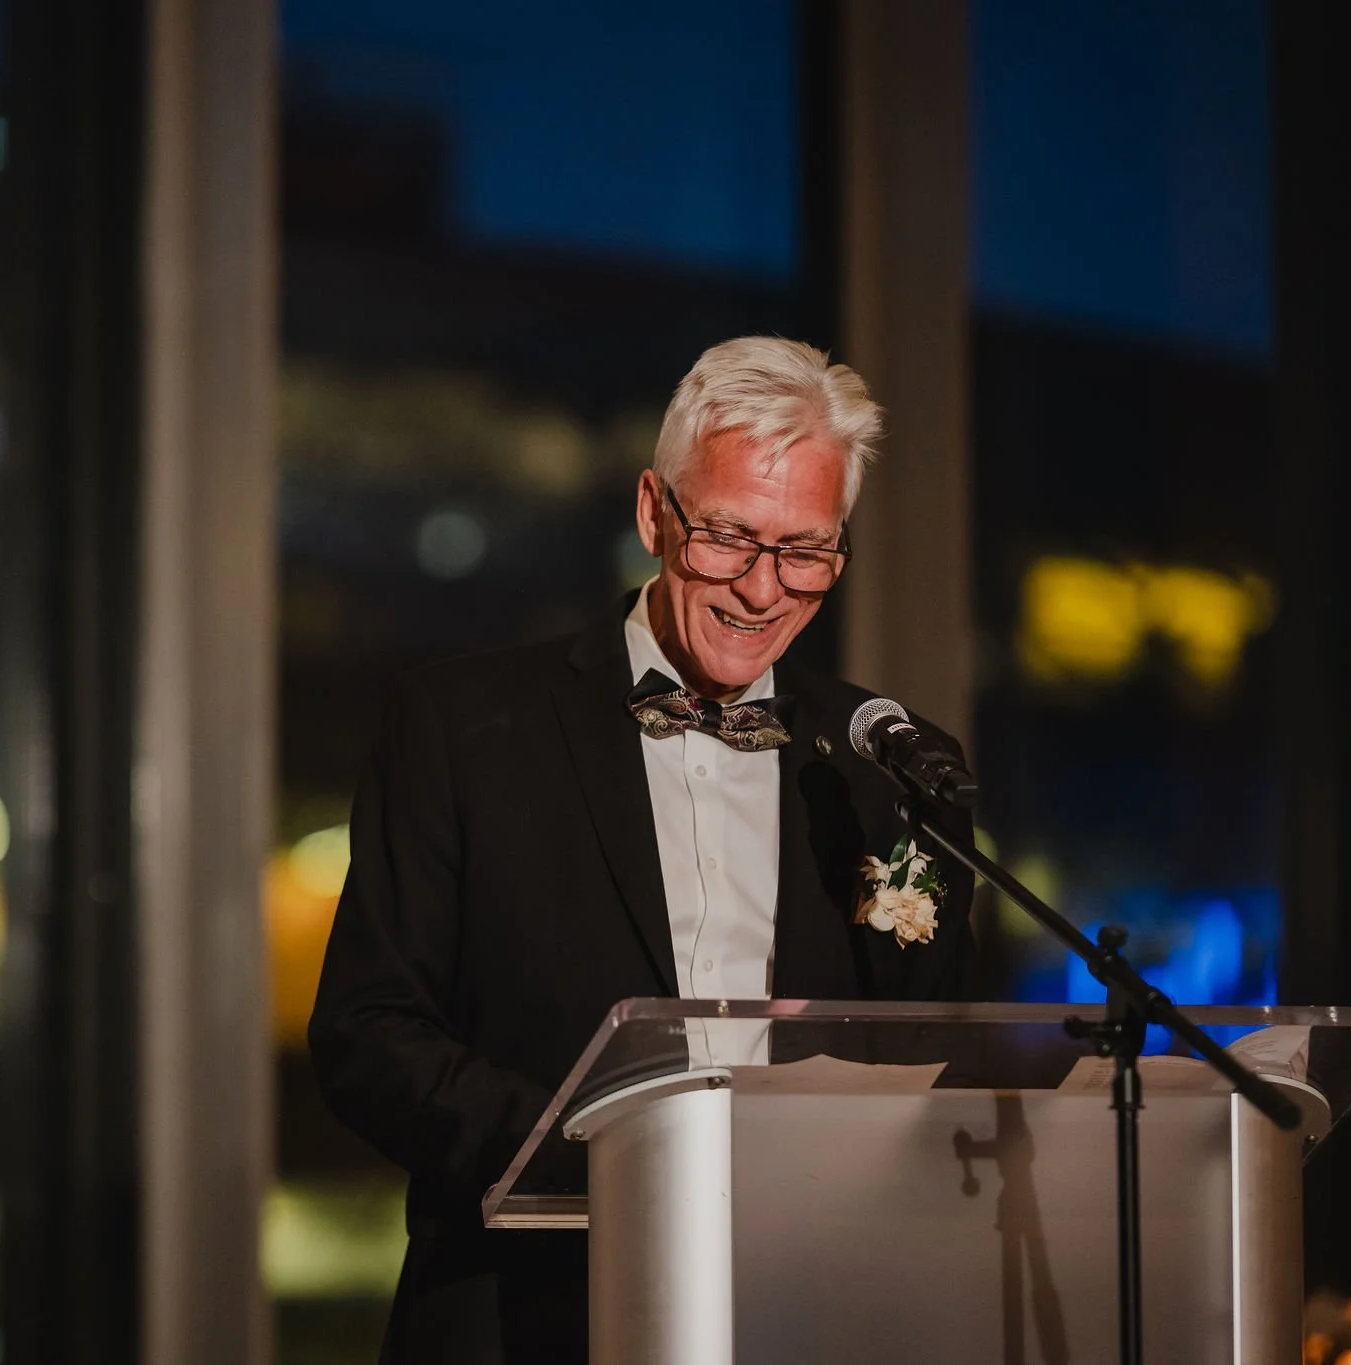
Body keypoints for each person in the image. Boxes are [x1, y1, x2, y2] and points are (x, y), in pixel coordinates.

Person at [309, 336, 977, 1364]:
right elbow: (368, 1034)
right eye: (728, 538)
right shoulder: (461, 727)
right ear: (653, 513)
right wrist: (611, 1155)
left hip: (811, 1315)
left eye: (804, 550)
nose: (762, 591)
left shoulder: (887, 765)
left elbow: (938, 1056)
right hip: (524, 1316)